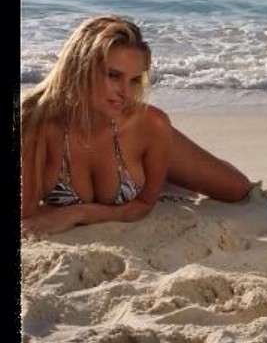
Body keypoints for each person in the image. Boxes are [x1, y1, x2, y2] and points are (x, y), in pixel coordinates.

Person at [21, 15, 253, 237]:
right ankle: (153, 174)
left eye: (134, 80)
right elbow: (26, 211)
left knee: (237, 189)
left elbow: (143, 205)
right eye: (113, 75)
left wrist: (76, 214)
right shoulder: (36, 120)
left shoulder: (151, 124)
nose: (125, 92)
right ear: (79, 67)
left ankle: (160, 172)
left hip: (141, 140)